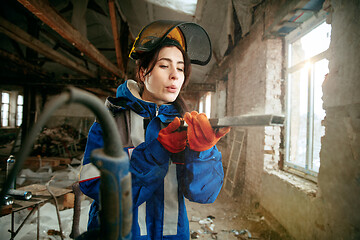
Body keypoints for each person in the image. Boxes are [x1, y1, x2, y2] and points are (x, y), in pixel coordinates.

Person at [79, 20, 231, 239]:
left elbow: (204, 194)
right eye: (164, 65)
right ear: (143, 73)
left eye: (180, 68)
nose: (175, 75)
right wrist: (155, 152)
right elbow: (93, 184)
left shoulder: (183, 124)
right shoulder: (111, 120)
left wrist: (203, 152)